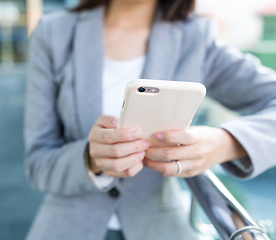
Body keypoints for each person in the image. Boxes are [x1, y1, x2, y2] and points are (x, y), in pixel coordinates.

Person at [24, 0, 276, 239]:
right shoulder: (53, 33)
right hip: (67, 226)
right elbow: (38, 165)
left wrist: (224, 143)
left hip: (159, 226)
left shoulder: (196, 37)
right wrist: (91, 159)